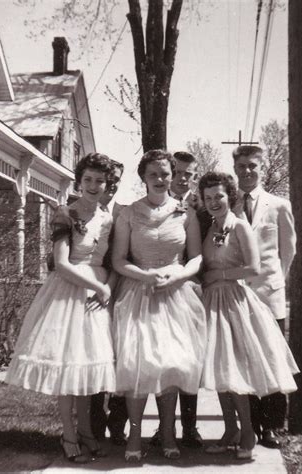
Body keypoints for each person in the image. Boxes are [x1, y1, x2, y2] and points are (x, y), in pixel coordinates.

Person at [5, 153, 116, 463]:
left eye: (100, 181)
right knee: (68, 368)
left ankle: (86, 433)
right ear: (79, 182)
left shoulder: (107, 218)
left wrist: (103, 287)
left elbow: (105, 260)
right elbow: (63, 264)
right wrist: (99, 286)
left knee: (85, 368)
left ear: (107, 184)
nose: (93, 186)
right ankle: (69, 435)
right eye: (88, 180)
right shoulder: (65, 213)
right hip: (68, 293)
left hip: (95, 298)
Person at [112, 149, 207, 462]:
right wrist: (145, 275)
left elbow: (195, 257)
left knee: (171, 366)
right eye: (153, 174)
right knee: (138, 365)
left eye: (165, 173)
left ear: (173, 175)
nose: (160, 179)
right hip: (139, 293)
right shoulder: (128, 212)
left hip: (176, 295)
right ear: (143, 177)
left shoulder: (185, 212)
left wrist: (179, 276)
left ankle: (168, 433)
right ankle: (135, 434)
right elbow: (118, 260)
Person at [199, 171, 299, 461]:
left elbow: (255, 268)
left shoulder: (240, 226)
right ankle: (229, 429)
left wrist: (221, 273)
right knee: (217, 369)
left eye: (219, 195)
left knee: (234, 370)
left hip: (234, 301)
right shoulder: (210, 227)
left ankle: (247, 432)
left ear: (229, 196)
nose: (214, 201)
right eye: (208, 198)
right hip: (211, 303)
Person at [232, 145, 297, 449]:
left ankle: (271, 427)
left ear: (262, 168)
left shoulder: (278, 205)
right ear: (235, 169)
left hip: (268, 295)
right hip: (238, 297)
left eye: (252, 166)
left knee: (271, 359)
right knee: (246, 361)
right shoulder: (229, 206)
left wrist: (274, 281)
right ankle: (251, 425)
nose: (246, 171)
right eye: (241, 166)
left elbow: (288, 250)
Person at [150, 151, 204, 449]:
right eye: (179, 172)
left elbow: (202, 251)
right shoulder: (156, 202)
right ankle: (163, 426)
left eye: (190, 174)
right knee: (163, 362)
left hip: (192, 291)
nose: (184, 178)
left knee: (188, 361)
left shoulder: (202, 206)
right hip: (161, 289)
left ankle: (191, 426)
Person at [89, 159, 128, 446]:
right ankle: (93, 425)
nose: (111, 185)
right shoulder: (80, 210)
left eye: (116, 181)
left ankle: (117, 424)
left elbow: (122, 259)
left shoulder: (122, 215)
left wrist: (108, 289)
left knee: (120, 358)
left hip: (118, 292)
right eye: (109, 179)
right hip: (89, 293)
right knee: (94, 357)